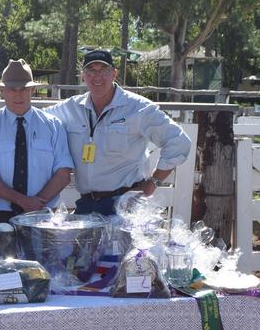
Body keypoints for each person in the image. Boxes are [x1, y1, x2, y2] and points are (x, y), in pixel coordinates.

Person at [46, 49, 191, 215]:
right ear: (82, 76)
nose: (97, 77)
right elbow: (38, 119)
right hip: (86, 205)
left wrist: (154, 182)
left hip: (126, 205)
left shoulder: (138, 108)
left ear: (114, 74)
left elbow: (179, 142)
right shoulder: (71, 108)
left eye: (104, 70)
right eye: (91, 71)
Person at [0, 59, 74, 224]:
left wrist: (37, 202)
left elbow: (63, 174)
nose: (18, 94)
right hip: (0, 218)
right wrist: (25, 201)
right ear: (3, 92)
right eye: (12, 89)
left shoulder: (53, 125)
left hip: (42, 216)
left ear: (32, 90)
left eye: (24, 89)